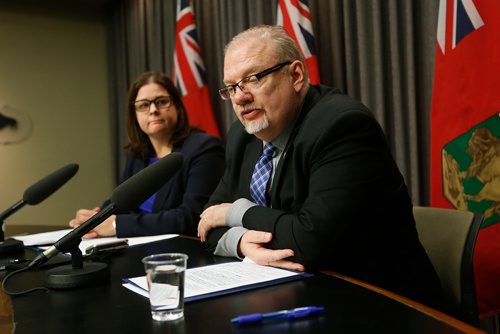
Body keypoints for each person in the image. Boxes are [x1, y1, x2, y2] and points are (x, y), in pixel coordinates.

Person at [197, 25, 443, 308]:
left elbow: (309, 243)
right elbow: (207, 222)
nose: (240, 97)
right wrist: (242, 243)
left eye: (253, 79)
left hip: (382, 304)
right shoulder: (244, 136)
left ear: (296, 76)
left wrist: (236, 211)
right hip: (295, 297)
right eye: (232, 87)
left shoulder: (342, 126)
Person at [69, 71, 225, 238]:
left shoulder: (204, 148)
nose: (153, 110)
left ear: (178, 107)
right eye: (143, 105)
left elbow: (191, 217)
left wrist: (115, 225)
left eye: (162, 102)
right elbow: (119, 204)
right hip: (136, 245)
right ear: (134, 114)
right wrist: (94, 219)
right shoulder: (137, 154)